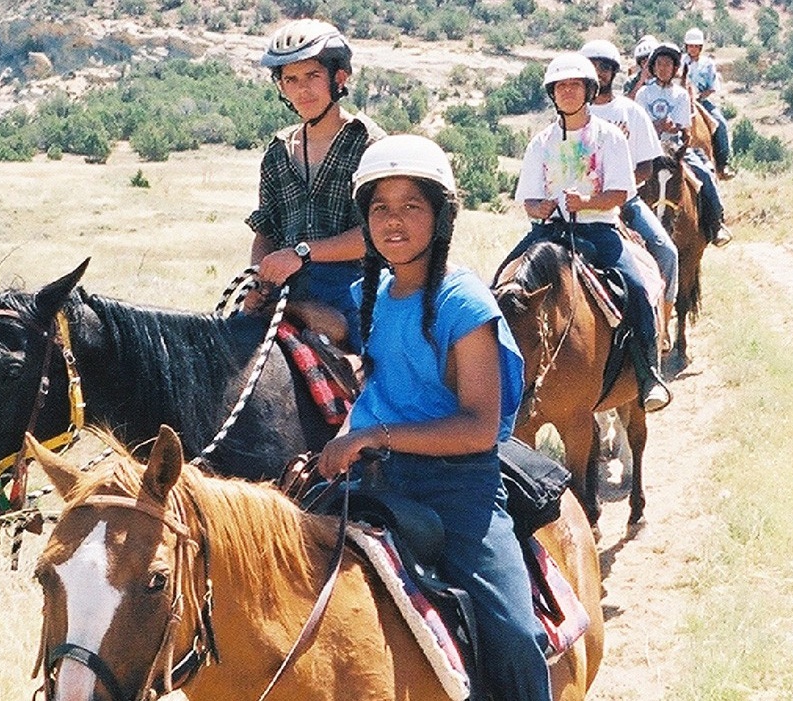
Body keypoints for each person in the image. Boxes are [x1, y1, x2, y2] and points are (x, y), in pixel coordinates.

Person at [317, 134, 551, 701]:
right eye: (380, 209)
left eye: (411, 207)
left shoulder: (463, 303)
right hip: (375, 477)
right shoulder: (371, 290)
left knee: (515, 635)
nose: (392, 223)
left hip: (457, 487)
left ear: (442, 216)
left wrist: (374, 434)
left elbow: (477, 426)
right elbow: (358, 332)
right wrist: (288, 303)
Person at [505, 52, 671, 411]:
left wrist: (588, 201)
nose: (567, 92)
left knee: (638, 288)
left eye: (574, 85)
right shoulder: (541, 142)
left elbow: (621, 193)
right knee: (501, 286)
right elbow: (529, 200)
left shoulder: (609, 137)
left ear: (588, 90)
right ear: (552, 94)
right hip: (550, 233)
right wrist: (540, 208)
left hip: (599, 230)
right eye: (560, 87)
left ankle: (648, 376)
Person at [241, 19, 386, 351]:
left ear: (339, 78)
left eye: (312, 76)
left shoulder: (371, 146)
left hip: (354, 284)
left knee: (377, 369)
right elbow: (266, 229)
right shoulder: (277, 153)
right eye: (290, 79)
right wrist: (260, 279)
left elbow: (377, 234)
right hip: (284, 284)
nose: (302, 90)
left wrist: (301, 253)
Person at [580, 38, 680, 350]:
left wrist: (618, 192)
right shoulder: (570, 117)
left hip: (626, 203)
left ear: (614, 72)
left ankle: (659, 331)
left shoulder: (631, 112)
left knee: (667, 252)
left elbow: (646, 168)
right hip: (578, 208)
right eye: (593, 68)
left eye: (604, 67)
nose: (599, 73)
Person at [635, 42, 732, 248]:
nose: (663, 68)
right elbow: (640, 125)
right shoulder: (643, 94)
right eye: (659, 64)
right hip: (648, 151)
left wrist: (674, 130)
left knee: (704, 174)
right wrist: (659, 125)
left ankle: (715, 224)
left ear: (674, 68)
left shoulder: (680, 95)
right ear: (653, 67)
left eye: (668, 65)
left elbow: (684, 128)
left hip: (675, 151)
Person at [681, 27, 735, 179]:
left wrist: (699, 96)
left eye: (696, 46)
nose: (693, 49)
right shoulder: (680, 61)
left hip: (702, 101)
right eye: (690, 46)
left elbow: (712, 87)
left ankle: (723, 163)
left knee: (720, 123)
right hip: (681, 100)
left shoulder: (708, 64)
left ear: (700, 47)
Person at [624, 34, 659, 99]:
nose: (647, 65)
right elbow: (627, 103)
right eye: (644, 62)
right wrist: (641, 81)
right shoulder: (631, 81)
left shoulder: (665, 78)